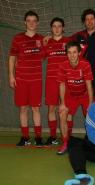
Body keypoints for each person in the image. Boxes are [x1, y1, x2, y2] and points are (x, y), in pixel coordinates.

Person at [8, 10, 44, 147]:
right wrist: (11, 76)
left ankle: (39, 138)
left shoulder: (41, 39)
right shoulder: (18, 38)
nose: (31, 23)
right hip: (21, 79)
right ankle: (25, 138)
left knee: (35, 109)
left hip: (36, 80)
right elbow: (12, 58)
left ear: (38, 23)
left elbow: (48, 56)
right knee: (23, 108)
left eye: (34, 20)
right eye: (29, 20)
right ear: (25, 22)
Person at [57, 41, 93, 154]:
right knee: (63, 113)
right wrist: (62, 103)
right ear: (66, 54)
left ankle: (92, 142)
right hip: (71, 95)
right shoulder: (63, 65)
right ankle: (66, 143)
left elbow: (89, 85)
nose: (72, 55)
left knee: (91, 116)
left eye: (74, 52)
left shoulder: (85, 64)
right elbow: (62, 84)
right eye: (69, 53)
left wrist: (91, 103)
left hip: (85, 95)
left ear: (79, 53)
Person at [44, 17, 71, 146]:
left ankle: (68, 137)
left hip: (66, 81)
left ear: (63, 28)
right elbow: (40, 57)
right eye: (54, 26)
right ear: (51, 28)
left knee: (67, 110)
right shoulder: (47, 42)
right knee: (52, 108)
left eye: (59, 26)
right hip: (51, 81)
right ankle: (53, 136)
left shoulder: (69, 42)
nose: (56, 28)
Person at [71, 8, 95, 96]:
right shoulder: (78, 36)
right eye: (87, 19)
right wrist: (50, 37)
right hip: (85, 73)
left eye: (92, 19)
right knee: (88, 101)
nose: (89, 21)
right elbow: (63, 39)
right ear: (84, 22)